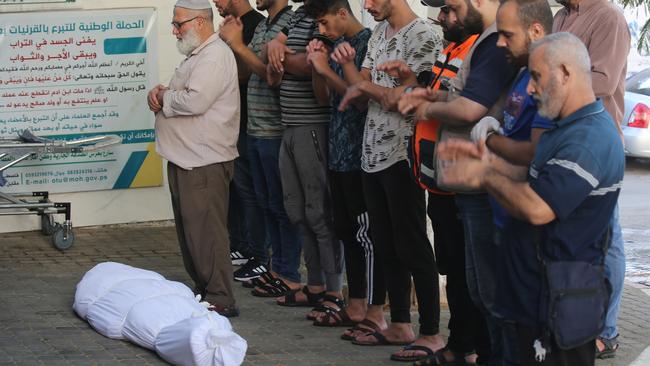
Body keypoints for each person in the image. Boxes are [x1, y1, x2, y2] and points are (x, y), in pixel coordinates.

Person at [436, 31, 625, 366]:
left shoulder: (588, 139)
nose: (531, 88)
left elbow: (539, 207)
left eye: (536, 77)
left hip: (559, 308)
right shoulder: (563, 127)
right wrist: (487, 162)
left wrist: (484, 175)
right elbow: (532, 177)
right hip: (534, 298)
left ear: (566, 72)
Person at [398, 0, 517, 363]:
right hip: (459, 183)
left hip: (480, 184)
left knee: (486, 290)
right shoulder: (485, 41)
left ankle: (484, 352)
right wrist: (429, 94)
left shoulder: (493, 41)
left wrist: (426, 107)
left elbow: (470, 108)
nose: (442, 14)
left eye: (451, 5)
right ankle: (472, 348)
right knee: (474, 284)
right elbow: (461, 97)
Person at [333, 0, 445, 361]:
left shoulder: (425, 35)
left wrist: (374, 90)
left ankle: (430, 331)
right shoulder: (379, 33)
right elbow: (362, 89)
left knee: (412, 242)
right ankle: (399, 323)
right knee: (384, 241)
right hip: (372, 153)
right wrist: (350, 66)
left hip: (403, 153)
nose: (366, 5)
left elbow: (411, 100)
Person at [468, 0, 554, 363]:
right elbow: (515, 128)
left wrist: (488, 144)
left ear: (535, 31)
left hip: (520, 219)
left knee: (512, 318)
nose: (500, 43)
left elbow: (533, 152)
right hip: (499, 210)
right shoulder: (523, 72)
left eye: (507, 34)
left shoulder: (547, 80)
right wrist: (496, 130)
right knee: (489, 302)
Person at [147, 0, 240, 318]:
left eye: (179, 23)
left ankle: (219, 296)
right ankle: (206, 290)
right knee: (193, 232)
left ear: (201, 22)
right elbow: (185, 95)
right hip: (188, 158)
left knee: (207, 232)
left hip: (203, 161)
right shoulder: (199, 55)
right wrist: (163, 93)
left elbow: (196, 100)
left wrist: (164, 98)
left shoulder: (213, 55)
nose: (174, 30)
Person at [553, 0, 631, 357]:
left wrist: (550, 79)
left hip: (596, 141)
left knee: (605, 238)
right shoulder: (561, 15)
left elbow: (602, 80)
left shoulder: (609, 17)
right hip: (560, 138)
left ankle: (608, 330)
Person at [263, 0, 346, 319]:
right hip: (289, 125)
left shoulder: (324, 18)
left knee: (319, 213)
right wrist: (277, 51)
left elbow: (312, 64)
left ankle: (333, 290)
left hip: (314, 125)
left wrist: (279, 54)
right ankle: (313, 285)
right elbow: (272, 67)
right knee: (296, 210)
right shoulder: (298, 16)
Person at [304, 0, 381, 331]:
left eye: (324, 23)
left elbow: (357, 97)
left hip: (359, 152)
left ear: (342, 13)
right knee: (344, 229)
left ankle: (366, 305)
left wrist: (324, 68)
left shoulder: (367, 42)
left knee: (364, 235)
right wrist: (315, 66)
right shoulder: (332, 45)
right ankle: (354, 304)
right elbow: (324, 97)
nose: (322, 30)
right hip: (336, 149)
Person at [219, 0, 301, 291]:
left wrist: (238, 45)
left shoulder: (289, 23)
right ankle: (272, 266)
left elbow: (270, 75)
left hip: (275, 130)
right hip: (256, 127)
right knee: (265, 202)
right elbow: (250, 70)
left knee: (281, 206)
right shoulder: (266, 25)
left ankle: (286, 271)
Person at [212, 0, 266, 272]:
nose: (215, 3)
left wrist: (234, 46)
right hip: (231, 125)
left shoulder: (256, 25)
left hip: (251, 123)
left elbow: (248, 73)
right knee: (233, 190)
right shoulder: (227, 28)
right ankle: (239, 245)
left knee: (251, 193)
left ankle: (257, 253)